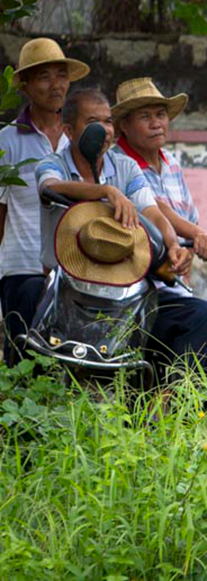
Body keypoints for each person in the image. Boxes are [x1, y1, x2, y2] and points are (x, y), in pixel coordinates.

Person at [34, 88, 207, 380]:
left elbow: (153, 211)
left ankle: (172, 396)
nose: (103, 130)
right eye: (93, 121)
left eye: (108, 121)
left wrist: (173, 244)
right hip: (70, 295)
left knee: (202, 315)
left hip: (123, 295)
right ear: (69, 131)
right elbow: (49, 187)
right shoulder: (52, 164)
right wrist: (106, 191)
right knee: (36, 359)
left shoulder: (125, 166)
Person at [110, 78, 207, 379]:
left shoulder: (171, 162)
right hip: (135, 291)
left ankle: (202, 422)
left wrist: (192, 244)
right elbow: (154, 211)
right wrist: (197, 234)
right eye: (144, 117)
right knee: (203, 316)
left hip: (172, 289)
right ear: (123, 125)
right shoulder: (116, 163)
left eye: (160, 115)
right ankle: (172, 398)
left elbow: (186, 220)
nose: (156, 124)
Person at [0, 38, 89, 366]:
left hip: (76, 276)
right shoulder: (7, 141)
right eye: (44, 77)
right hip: (23, 271)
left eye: (62, 76)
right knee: (22, 365)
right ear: (24, 85)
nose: (56, 86)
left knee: (72, 366)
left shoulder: (79, 140)